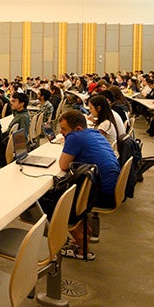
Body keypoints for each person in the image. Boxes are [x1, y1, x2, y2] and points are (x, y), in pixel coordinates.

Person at [56, 110, 121, 260]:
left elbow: (64, 165)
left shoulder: (76, 137)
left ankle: (81, 248)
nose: (61, 132)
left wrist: (69, 143)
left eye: (64, 129)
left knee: (59, 203)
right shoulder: (94, 133)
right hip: (112, 188)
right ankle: (83, 236)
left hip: (102, 193)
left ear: (77, 129)